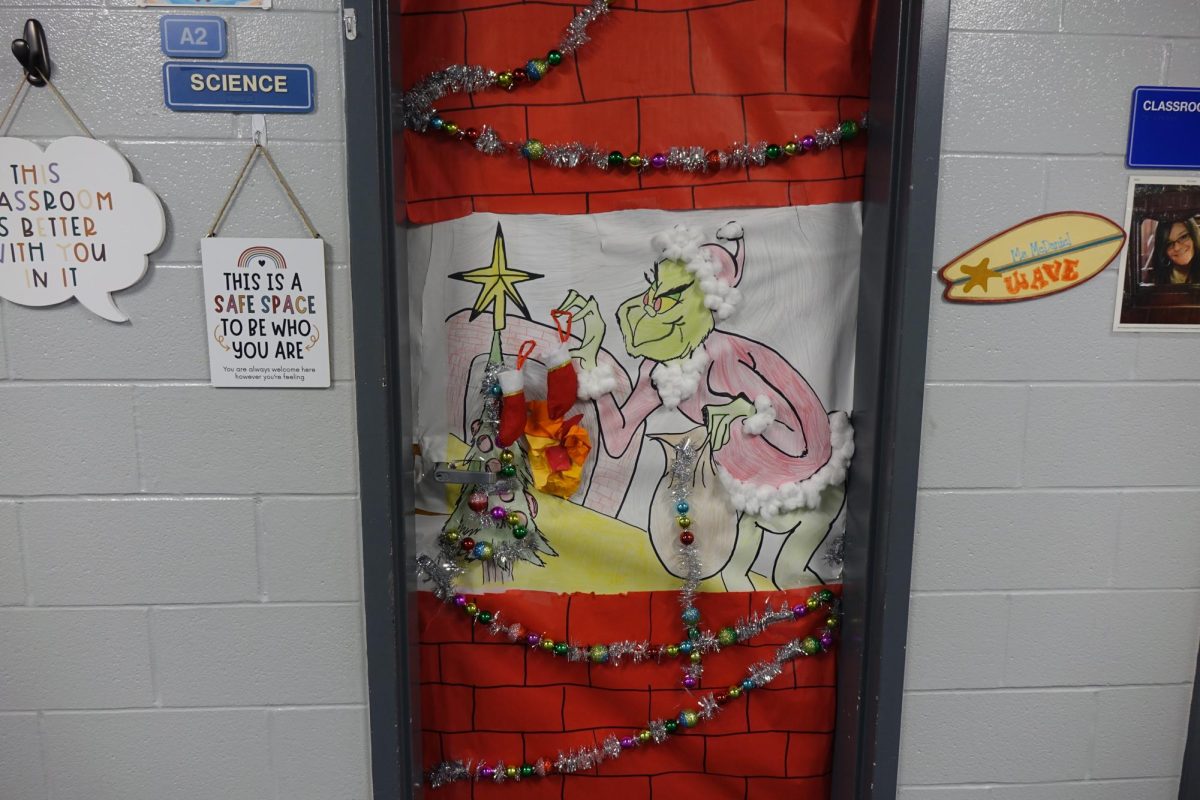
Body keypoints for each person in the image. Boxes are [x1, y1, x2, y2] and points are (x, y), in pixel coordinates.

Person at [1152, 216, 1200, 284]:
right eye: (1169, 243)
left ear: (1194, 235)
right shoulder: (1158, 276)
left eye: (1183, 237)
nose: (1177, 247)